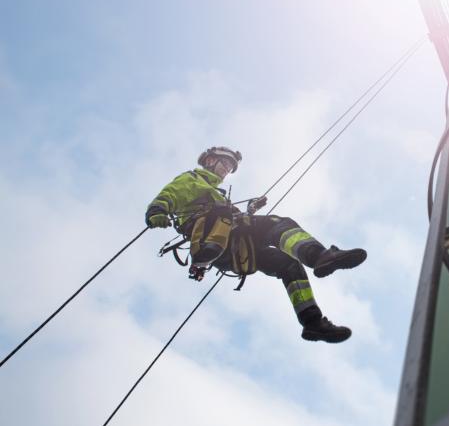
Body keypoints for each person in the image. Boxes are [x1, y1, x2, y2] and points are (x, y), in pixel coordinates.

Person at [144, 146, 366, 343]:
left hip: (228, 248)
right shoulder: (194, 179)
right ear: (210, 161)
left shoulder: (218, 195)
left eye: (230, 168)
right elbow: (172, 193)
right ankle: (319, 256)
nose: (226, 171)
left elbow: (232, 220)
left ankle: (312, 322)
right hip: (215, 238)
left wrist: (250, 211)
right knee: (278, 225)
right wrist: (158, 210)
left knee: (288, 265)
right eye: (225, 164)